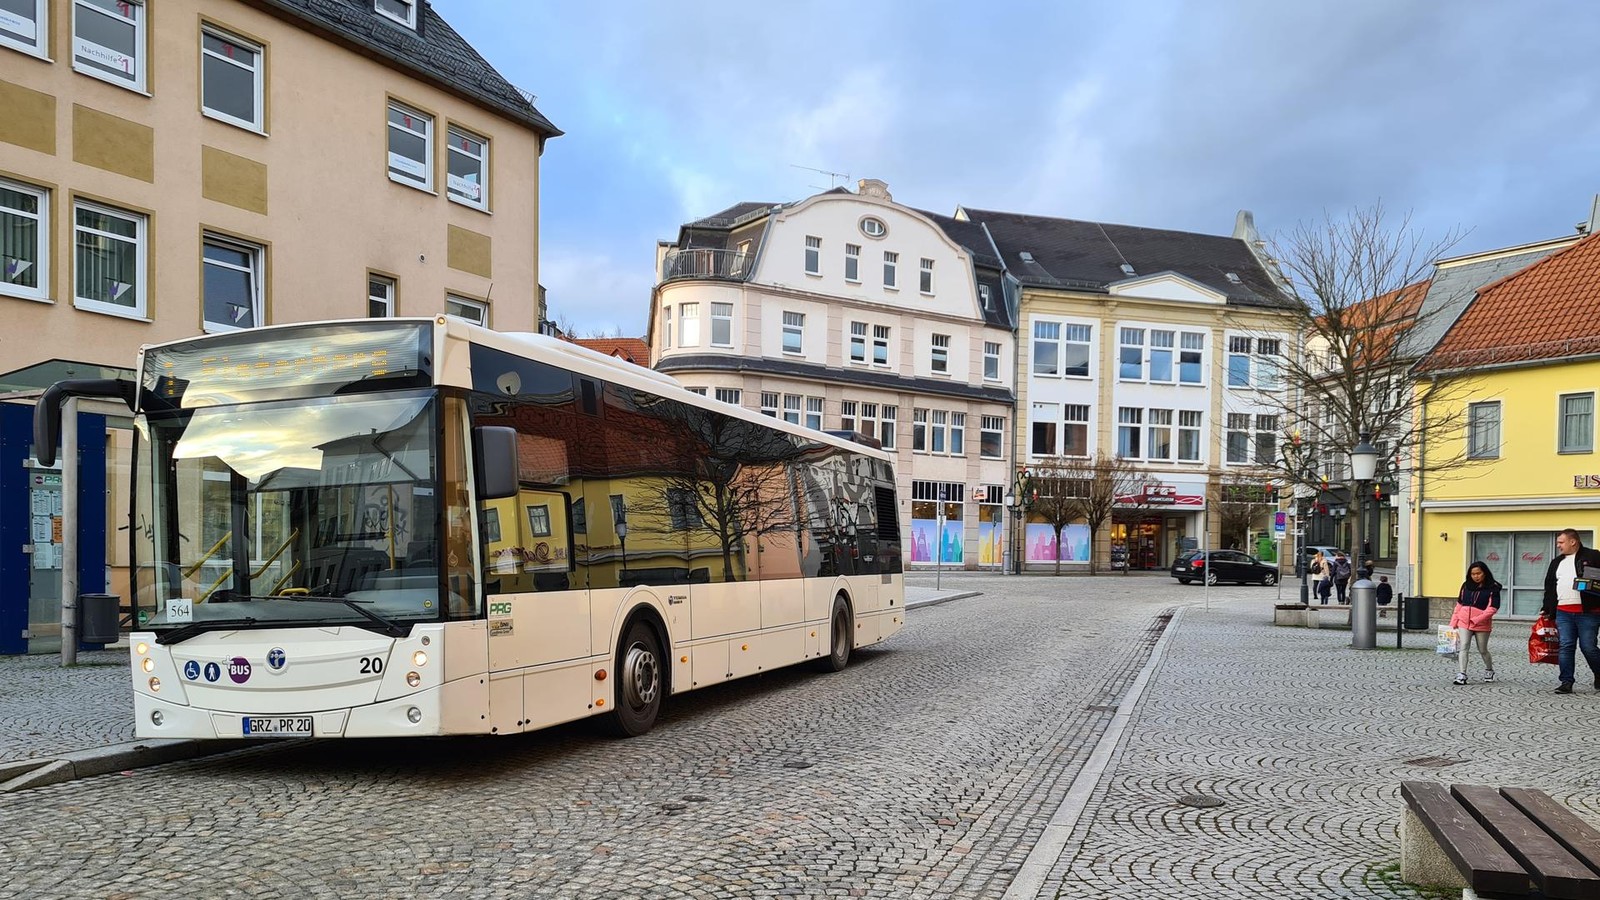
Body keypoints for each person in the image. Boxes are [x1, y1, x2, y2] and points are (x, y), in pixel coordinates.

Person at [1541, 528, 1600, 694]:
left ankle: (1599, 672)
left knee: (1588, 647)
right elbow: (1550, 587)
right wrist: (1547, 607)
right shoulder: (1556, 562)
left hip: (1589, 612)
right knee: (1566, 645)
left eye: (1561, 542)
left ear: (1573, 541)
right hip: (1563, 612)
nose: (1558, 545)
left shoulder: (1594, 556)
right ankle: (1566, 682)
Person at [1449, 561, 1501, 685]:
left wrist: (1477, 619)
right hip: (1464, 621)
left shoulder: (1493, 587)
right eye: (1473, 574)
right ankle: (1462, 674)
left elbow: (1493, 608)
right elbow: (1459, 604)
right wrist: (1453, 621)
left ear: (1485, 573)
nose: (1476, 576)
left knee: (1482, 649)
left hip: (1481, 624)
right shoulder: (1466, 585)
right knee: (1464, 646)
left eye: (1478, 573)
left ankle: (1489, 669)